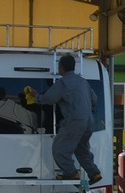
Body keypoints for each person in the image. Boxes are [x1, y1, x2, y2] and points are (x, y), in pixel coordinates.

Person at [37, 55, 102, 184]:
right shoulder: (83, 81)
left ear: (61, 68)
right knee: (81, 149)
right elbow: (94, 99)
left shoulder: (63, 82)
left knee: (59, 149)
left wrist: (37, 97)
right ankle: (94, 173)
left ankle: (71, 173)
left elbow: (49, 99)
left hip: (74, 121)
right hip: (89, 120)